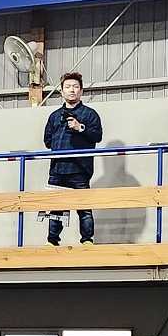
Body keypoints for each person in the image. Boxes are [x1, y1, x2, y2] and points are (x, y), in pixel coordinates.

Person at [43, 72, 103, 246]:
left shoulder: (90, 114)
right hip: (57, 168)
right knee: (56, 207)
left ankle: (87, 240)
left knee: (83, 207)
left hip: (80, 168)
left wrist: (80, 128)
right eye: (68, 87)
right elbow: (47, 140)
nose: (72, 90)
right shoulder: (54, 116)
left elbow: (97, 136)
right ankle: (52, 241)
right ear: (61, 91)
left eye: (76, 87)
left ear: (81, 91)